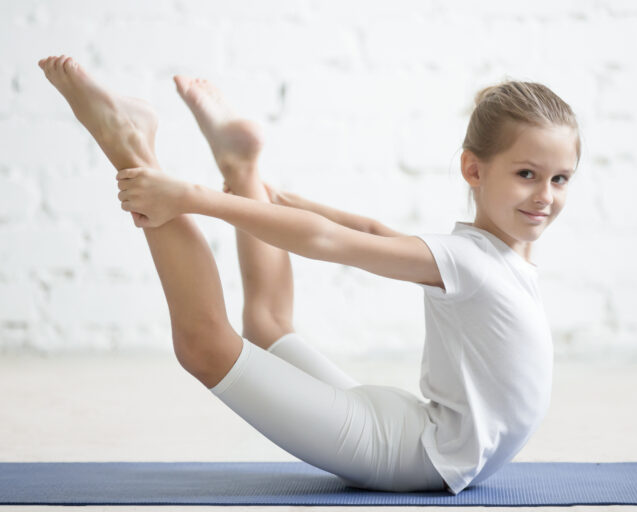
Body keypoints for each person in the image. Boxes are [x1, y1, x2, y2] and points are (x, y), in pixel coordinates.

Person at [38, 54, 581, 495]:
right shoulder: (475, 258)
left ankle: (240, 167)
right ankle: (129, 144)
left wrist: (274, 199)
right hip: (415, 451)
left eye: (560, 179)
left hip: (416, 435)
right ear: (474, 170)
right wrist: (191, 199)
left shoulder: (494, 253)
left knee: (269, 323)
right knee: (208, 344)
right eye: (527, 174)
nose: (545, 196)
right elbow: (332, 241)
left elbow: (369, 228)